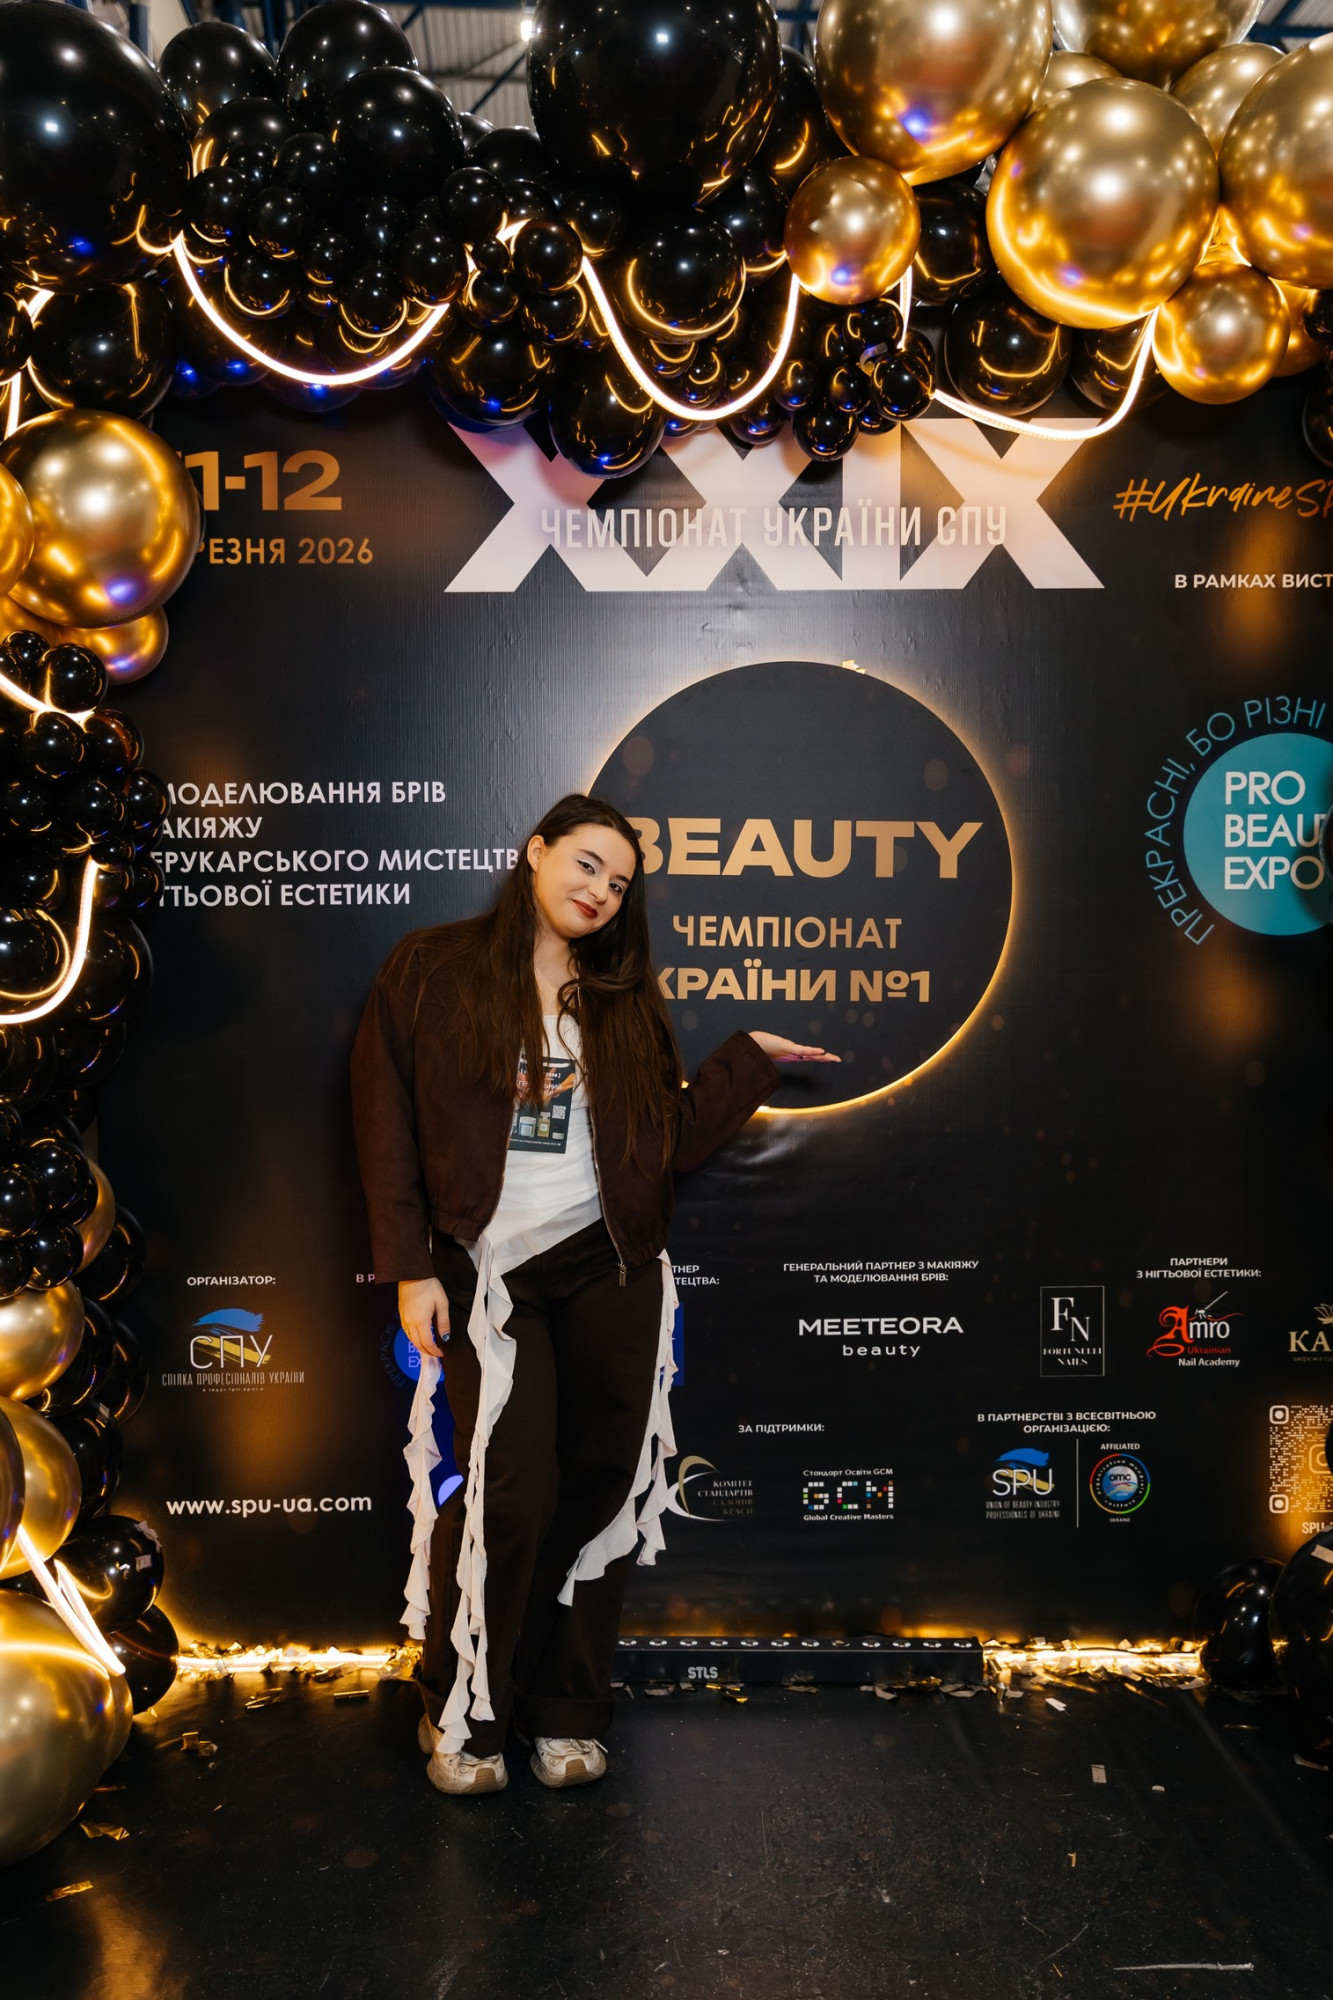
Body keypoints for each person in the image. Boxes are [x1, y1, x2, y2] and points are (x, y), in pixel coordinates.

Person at [351, 794, 836, 1796]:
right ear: (536, 852)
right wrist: (409, 1267)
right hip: (487, 1272)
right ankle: (464, 1709)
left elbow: (670, 1141)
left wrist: (746, 1056)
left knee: (603, 1485)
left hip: (610, 1265)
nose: (599, 891)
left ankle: (566, 1709)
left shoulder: (620, 996)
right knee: (508, 1493)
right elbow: (383, 1116)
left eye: (618, 882)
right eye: (585, 864)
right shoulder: (430, 967)